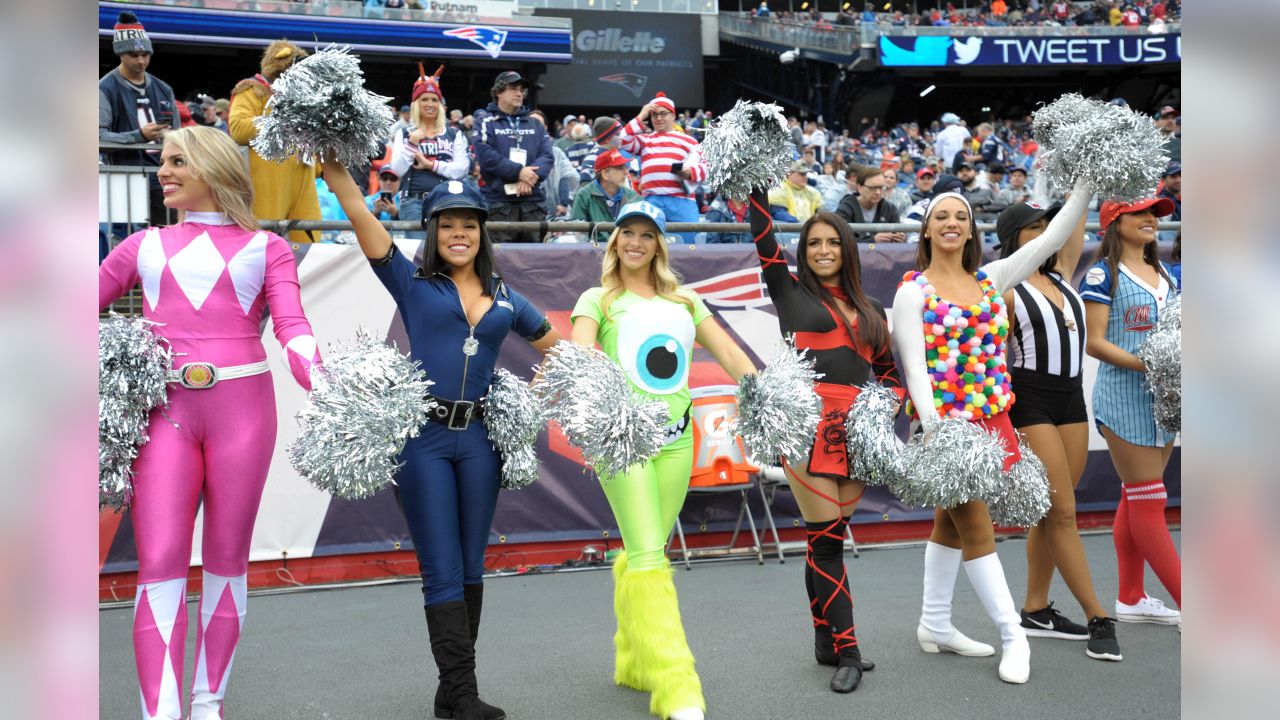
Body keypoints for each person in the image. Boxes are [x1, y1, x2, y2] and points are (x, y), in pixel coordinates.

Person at [321, 156, 562, 720]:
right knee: (442, 566)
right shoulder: (410, 280)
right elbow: (360, 214)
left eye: (469, 224)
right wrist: (336, 171)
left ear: (482, 232)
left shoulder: (507, 296)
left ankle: (452, 693)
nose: (459, 233)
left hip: (479, 440)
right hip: (424, 440)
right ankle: (462, 691)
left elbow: (560, 348)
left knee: (473, 564)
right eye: (448, 224)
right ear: (433, 231)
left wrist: (544, 386)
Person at [99, 126, 323, 720]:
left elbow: (292, 325)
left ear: (213, 169)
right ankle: (163, 710)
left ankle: (207, 701)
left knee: (228, 556)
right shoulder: (142, 246)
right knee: (161, 557)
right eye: (162, 161)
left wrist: (318, 375)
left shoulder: (267, 247)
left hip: (243, 412)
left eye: (177, 161)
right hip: (164, 412)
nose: (163, 171)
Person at [892, 180, 1092, 684]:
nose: (952, 223)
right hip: (947, 427)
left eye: (961, 216)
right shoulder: (911, 291)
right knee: (977, 528)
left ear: (972, 228)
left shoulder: (991, 279)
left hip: (994, 418)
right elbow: (914, 366)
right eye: (941, 217)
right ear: (927, 229)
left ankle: (934, 623)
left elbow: (1050, 240)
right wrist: (935, 429)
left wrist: (1086, 183)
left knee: (948, 523)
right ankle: (1013, 634)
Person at [570, 201, 756, 720]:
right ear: (614, 241)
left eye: (646, 235)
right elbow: (579, 352)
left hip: (679, 439)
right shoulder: (597, 299)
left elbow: (732, 356)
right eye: (626, 232)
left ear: (659, 244)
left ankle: (634, 659)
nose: (635, 242)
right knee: (652, 558)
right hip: (622, 440)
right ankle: (677, 685)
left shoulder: (686, 300)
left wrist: (764, 394)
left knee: (645, 545)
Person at [747, 189, 899, 692]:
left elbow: (889, 373)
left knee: (822, 542)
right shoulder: (788, 290)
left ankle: (822, 637)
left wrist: (888, 405)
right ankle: (849, 652)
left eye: (833, 242)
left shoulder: (872, 307)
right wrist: (757, 183)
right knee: (831, 542)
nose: (823, 250)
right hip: (807, 427)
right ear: (803, 250)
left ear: (847, 248)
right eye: (814, 243)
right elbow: (764, 237)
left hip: (857, 432)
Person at [996, 201, 1123, 662]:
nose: (1048, 233)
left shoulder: (1061, 272)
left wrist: (1083, 173)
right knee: (1062, 511)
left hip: (1072, 397)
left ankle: (1034, 609)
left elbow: (1072, 223)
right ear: (1014, 237)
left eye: (1048, 226)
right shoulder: (1005, 286)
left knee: (1053, 511)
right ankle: (1098, 617)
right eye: (1035, 228)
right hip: (1030, 399)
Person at [1079, 196, 1182, 628]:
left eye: (1155, 215)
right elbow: (1095, 343)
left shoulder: (1164, 274)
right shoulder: (1104, 273)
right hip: (1123, 397)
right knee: (1150, 500)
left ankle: (1131, 598)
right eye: (1140, 214)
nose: (1151, 221)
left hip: (1164, 399)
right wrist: (1151, 363)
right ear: (1114, 221)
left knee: (1137, 495)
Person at [228, 39, 321, 244]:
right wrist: (281, 121)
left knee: (309, 240)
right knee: (261, 239)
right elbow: (238, 129)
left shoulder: (304, 98)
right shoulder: (252, 90)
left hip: (303, 179)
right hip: (266, 182)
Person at [99, 11, 180, 228]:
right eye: (134, 55)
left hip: (164, 176)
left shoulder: (164, 89)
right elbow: (98, 137)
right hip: (125, 177)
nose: (141, 60)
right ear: (120, 54)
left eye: (145, 54)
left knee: (168, 234)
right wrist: (139, 136)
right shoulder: (104, 88)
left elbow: (180, 136)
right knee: (128, 240)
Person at [385, 66, 470, 237]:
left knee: (445, 252)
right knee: (419, 253)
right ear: (416, 104)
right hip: (413, 202)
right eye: (424, 99)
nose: (430, 104)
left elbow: (462, 169)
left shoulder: (454, 134)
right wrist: (412, 143)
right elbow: (397, 169)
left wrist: (430, 165)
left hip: (447, 200)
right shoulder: (405, 133)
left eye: (434, 100)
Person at [616, 92, 708, 244]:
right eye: (654, 115)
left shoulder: (689, 141)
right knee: (649, 246)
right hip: (651, 201)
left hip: (682, 201)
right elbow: (623, 140)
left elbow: (706, 167)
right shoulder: (644, 140)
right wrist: (641, 115)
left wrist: (689, 172)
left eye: (663, 114)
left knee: (690, 246)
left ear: (673, 115)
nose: (658, 118)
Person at [473, 71, 555, 243]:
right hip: (498, 202)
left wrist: (528, 178)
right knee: (500, 262)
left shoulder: (535, 123)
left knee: (534, 262)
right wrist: (519, 172)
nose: (519, 93)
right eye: (513, 89)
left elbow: (547, 156)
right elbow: (485, 156)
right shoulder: (486, 121)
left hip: (533, 202)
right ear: (498, 92)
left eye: (521, 89)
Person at [570, 148, 639, 242]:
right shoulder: (584, 195)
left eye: (625, 167)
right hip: (594, 252)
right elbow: (577, 235)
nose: (626, 172)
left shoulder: (633, 197)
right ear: (605, 174)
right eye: (620, 168)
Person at [836, 166, 904, 243]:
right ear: (859, 188)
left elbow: (896, 245)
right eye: (872, 188)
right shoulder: (845, 208)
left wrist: (898, 239)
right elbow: (841, 241)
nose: (878, 192)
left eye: (881, 187)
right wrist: (872, 241)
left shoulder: (890, 209)